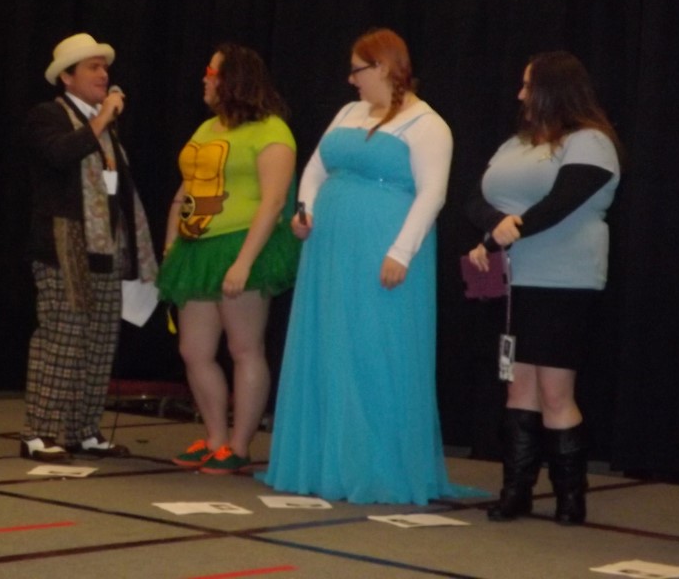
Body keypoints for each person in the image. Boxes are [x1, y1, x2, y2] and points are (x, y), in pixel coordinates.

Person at [261, 27, 481, 504]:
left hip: (382, 249)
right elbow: (315, 169)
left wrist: (401, 252)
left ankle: (375, 468)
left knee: (374, 351)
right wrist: (306, 211)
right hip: (329, 252)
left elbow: (432, 195)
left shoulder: (427, 124)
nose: (351, 79)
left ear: (382, 67)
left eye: (357, 70)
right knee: (331, 347)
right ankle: (326, 463)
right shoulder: (348, 113)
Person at [466, 51, 621, 526]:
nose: (520, 95)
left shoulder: (591, 142)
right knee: (518, 386)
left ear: (554, 90)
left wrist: (500, 235)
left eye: (528, 85)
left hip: (564, 280)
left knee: (555, 390)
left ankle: (571, 497)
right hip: (515, 281)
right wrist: (494, 225)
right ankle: (516, 491)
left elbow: (561, 203)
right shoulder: (516, 143)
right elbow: (475, 199)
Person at [156, 43, 298, 475]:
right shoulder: (206, 129)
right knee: (194, 350)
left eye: (211, 71)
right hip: (197, 247)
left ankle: (239, 444)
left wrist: (244, 262)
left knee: (244, 347)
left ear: (233, 78)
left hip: (242, 243)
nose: (205, 78)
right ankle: (215, 437)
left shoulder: (271, 131)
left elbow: (274, 201)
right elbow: (187, 188)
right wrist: (171, 243)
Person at [19, 33, 157, 462]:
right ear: (67, 77)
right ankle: (40, 432)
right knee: (62, 336)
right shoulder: (47, 115)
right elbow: (60, 155)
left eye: (105, 66)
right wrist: (101, 121)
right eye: (93, 67)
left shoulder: (105, 124)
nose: (104, 74)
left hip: (106, 248)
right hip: (64, 246)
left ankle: (82, 430)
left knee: (99, 340)